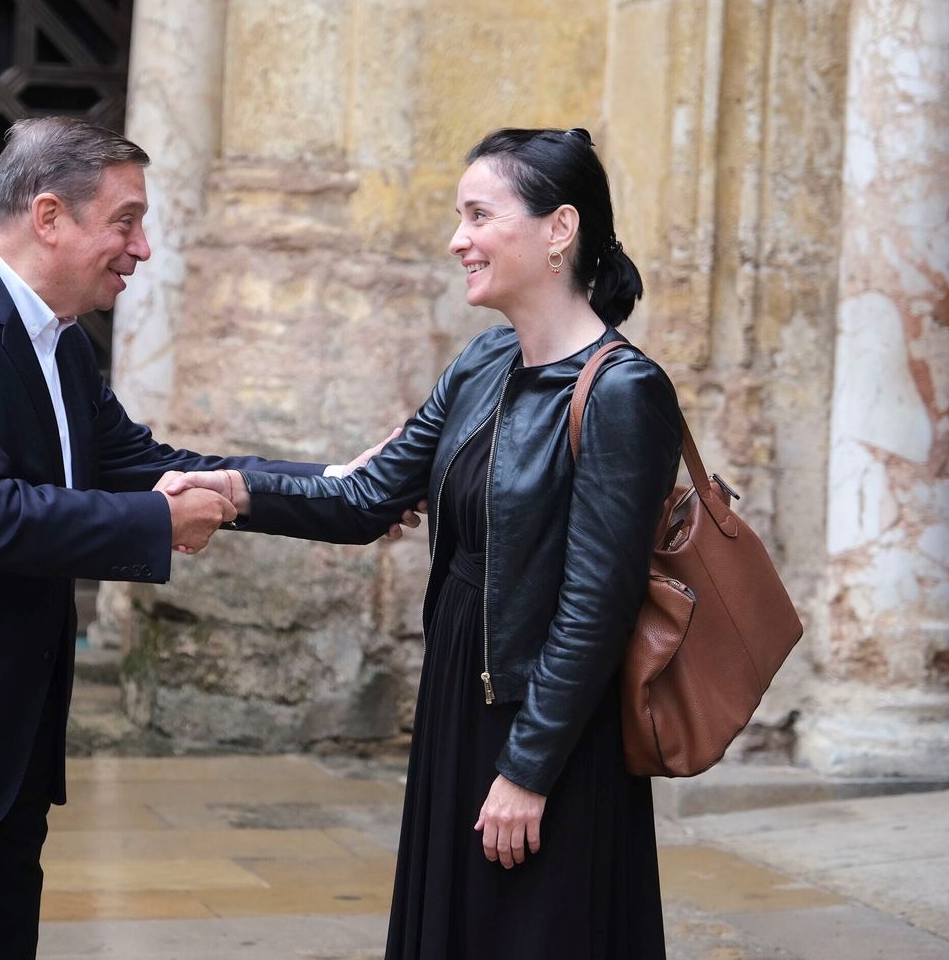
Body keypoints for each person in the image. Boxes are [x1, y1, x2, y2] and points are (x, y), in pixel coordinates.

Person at [0, 116, 411, 958]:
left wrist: (334, 487)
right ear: (49, 217)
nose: (141, 250)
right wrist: (159, 522)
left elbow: (147, 464)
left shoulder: (59, 342)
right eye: (127, 221)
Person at [163, 127, 683, 958]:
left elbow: (597, 604)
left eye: (479, 215)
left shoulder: (625, 390)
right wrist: (233, 493)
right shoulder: (482, 362)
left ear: (559, 230)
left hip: (547, 717)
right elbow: (370, 495)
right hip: (459, 692)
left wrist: (528, 769)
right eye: (457, 216)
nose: (457, 239)